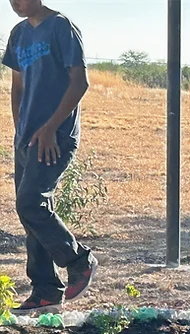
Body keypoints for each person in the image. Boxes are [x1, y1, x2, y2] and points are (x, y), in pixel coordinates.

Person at [4, 0, 96, 314]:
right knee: (32, 213)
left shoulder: (61, 27)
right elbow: (17, 88)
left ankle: (79, 260)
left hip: (55, 137)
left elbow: (80, 81)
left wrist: (49, 128)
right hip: (28, 139)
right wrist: (22, 132)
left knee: (30, 203)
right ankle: (45, 289)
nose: (15, 1)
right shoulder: (17, 34)